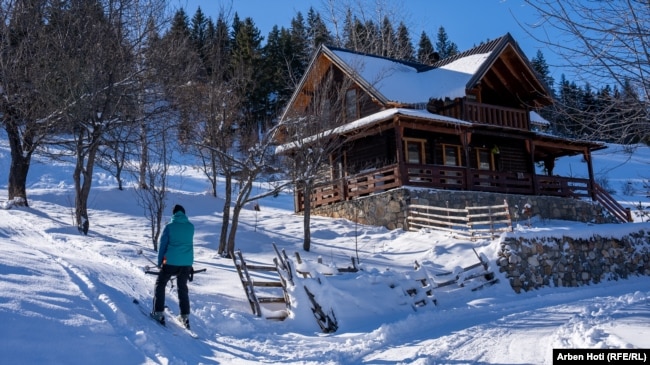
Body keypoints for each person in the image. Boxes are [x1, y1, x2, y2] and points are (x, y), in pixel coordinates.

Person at [151, 204, 194, 329]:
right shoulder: (191, 227)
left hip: (170, 261)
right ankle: (184, 316)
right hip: (186, 263)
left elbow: (162, 245)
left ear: (174, 214)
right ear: (184, 213)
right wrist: (190, 264)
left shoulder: (169, 227)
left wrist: (160, 263)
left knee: (160, 284)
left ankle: (158, 313)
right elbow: (190, 245)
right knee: (182, 288)